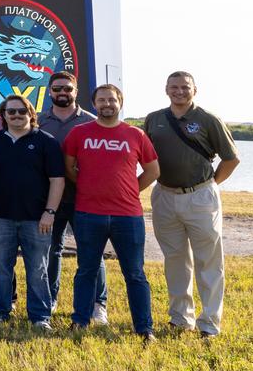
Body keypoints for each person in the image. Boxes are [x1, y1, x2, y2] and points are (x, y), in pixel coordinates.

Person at [143, 71, 238, 337]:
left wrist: (210, 186)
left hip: (201, 196)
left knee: (208, 260)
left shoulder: (208, 119)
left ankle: (209, 323)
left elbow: (231, 159)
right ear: (166, 89)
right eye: (174, 87)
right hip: (164, 195)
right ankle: (181, 318)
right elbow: (143, 156)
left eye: (185, 87)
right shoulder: (154, 119)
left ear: (195, 89)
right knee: (175, 259)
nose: (179, 91)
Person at [63, 84, 159, 340]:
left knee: (135, 273)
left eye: (112, 100)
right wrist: (87, 186)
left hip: (128, 216)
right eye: (102, 100)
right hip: (87, 213)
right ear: (94, 104)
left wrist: (130, 190)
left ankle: (144, 328)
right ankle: (80, 321)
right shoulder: (79, 133)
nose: (107, 104)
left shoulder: (135, 134)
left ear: (120, 102)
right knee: (86, 270)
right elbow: (69, 168)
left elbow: (153, 171)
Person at [0, 96, 65, 328]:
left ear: (30, 113)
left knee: (38, 269)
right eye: (11, 112)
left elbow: (57, 180)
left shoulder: (46, 142)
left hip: (37, 218)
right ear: (4, 115)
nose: (16, 115)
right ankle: (0, 311)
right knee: (1, 267)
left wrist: (50, 211)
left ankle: (40, 317)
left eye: (21, 111)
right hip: (1, 216)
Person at [37, 71, 102, 321]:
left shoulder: (91, 122)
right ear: (50, 91)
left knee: (90, 251)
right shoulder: (39, 121)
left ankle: (98, 304)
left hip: (83, 197)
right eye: (57, 88)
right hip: (49, 200)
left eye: (67, 88)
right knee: (50, 250)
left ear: (76, 91)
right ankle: (51, 299)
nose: (62, 92)